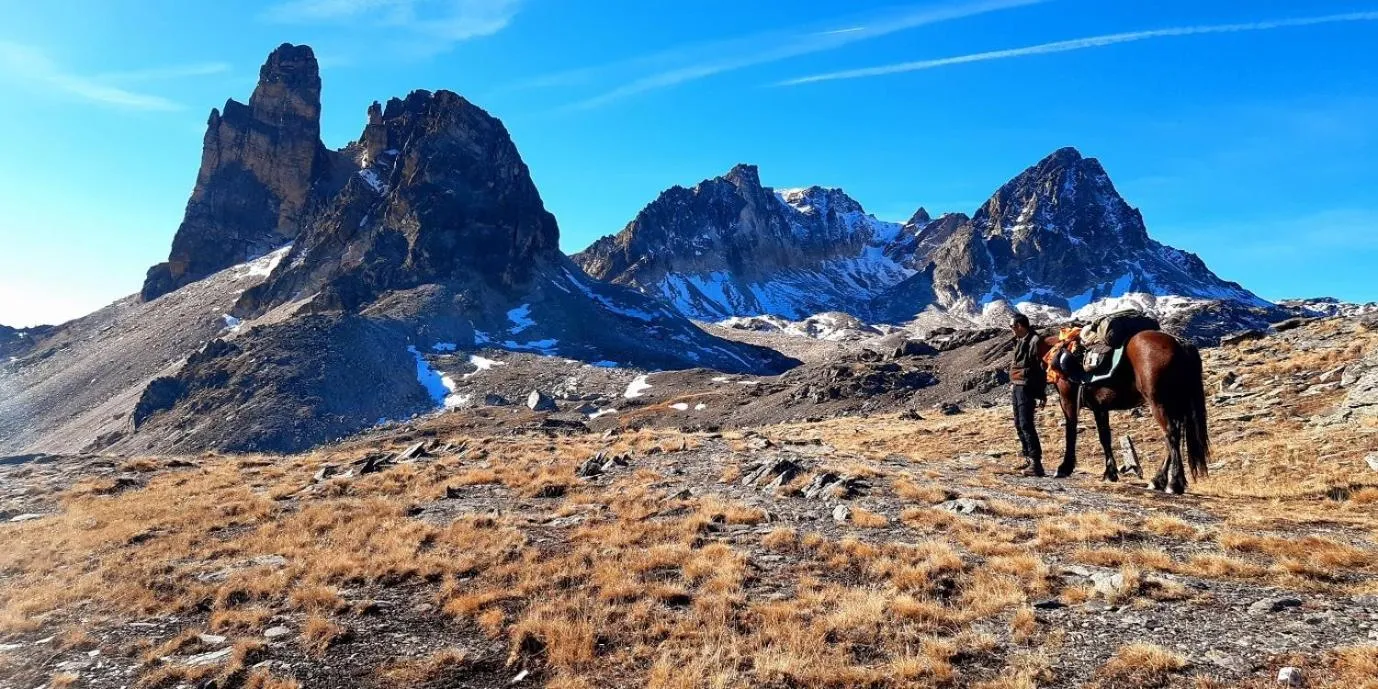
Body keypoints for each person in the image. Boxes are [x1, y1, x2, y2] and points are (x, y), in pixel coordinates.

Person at [1009, 314, 1046, 476]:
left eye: (1012, 327)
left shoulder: (1034, 341)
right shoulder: (1020, 340)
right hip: (1017, 386)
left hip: (1027, 387)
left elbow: (1041, 369)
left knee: (1026, 424)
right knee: (1018, 424)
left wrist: (1041, 393)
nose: (1011, 330)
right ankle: (1028, 460)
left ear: (1020, 326)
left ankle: (1036, 463)